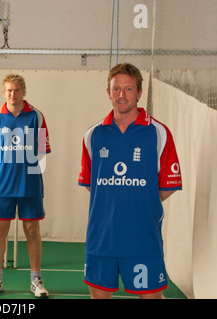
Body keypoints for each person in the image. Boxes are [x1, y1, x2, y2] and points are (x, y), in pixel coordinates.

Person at [78, 63, 182, 299]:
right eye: (116, 89)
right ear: (108, 92)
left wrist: (140, 202)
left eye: (128, 89)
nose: (121, 95)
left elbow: (167, 187)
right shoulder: (93, 134)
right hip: (101, 239)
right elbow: (89, 184)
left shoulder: (159, 133)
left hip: (143, 238)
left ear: (139, 93)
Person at [0, 74, 51, 298]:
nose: (13, 94)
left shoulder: (36, 117)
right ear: (4, 92)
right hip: (2, 184)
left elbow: (41, 151)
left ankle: (36, 280)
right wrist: (6, 170)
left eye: (17, 90)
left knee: (32, 231)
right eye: (9, 90)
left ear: (24, 92)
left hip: (29, 183)